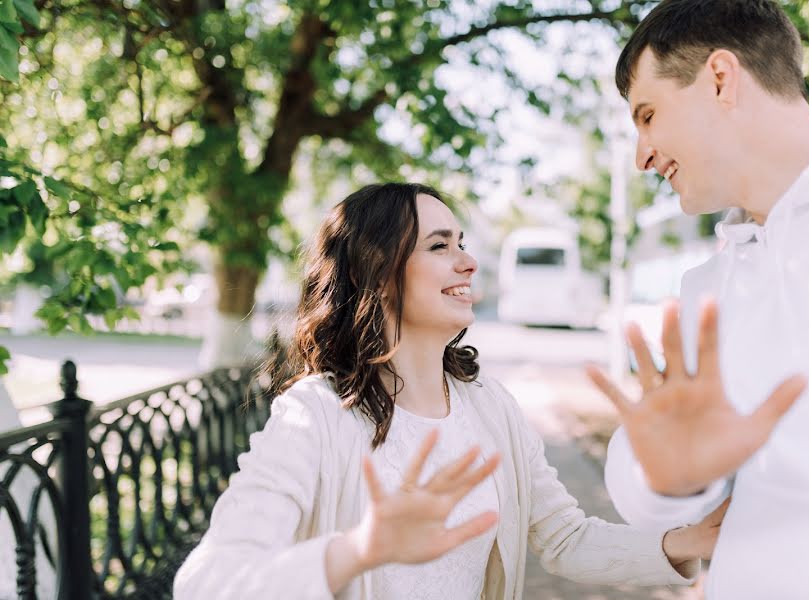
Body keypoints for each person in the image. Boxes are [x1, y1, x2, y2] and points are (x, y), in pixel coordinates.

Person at [173, 183, 724, 599]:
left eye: (461, 241)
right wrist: (358, 551)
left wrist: (687, 541)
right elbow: (208, 582)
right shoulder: (312, 415)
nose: (468, 260)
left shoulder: (490, 406)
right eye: (440, 245)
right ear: (379, 271)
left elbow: (564, 539)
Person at [587, 1, 809, 599]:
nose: (642, 155)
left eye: (648, 116)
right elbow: (645, 486)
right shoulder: (706, 287)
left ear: (721, 79)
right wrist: (669, 479)